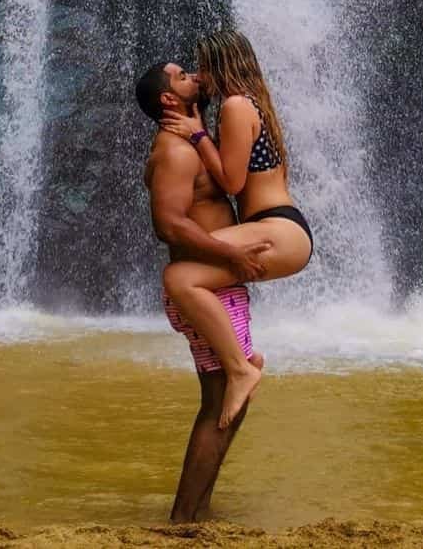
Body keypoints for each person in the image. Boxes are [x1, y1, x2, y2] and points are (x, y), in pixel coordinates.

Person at [159, 29, 314, 428]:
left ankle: (240, 369)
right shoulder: (253, 101)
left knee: (179, 278)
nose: (199, 76)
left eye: (203, 67)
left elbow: (232, 182)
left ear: (220, 66)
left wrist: (196, 136)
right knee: (186, 275)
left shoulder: (235, 105)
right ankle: (245, 358)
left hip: (277, 228)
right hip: (281, 228)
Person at [137, 60, 270, 522]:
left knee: (227, 397)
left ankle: (197, 511)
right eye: (182, 77)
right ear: (168, 99)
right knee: (220, 401)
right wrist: (231, 255)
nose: (195, 76)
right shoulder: (174, 151)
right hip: (205, 290)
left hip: (212, 287)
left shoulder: (190, 142)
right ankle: (184, 518)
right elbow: (169, 224)